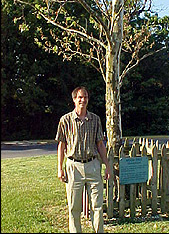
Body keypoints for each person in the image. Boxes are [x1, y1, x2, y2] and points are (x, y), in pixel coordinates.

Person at [55, 86, 111, 233]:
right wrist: (60, 168)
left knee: (97, 206)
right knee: (74, 207)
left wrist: (107, 166)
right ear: (74, 100)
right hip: (73, 167)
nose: (83, 100)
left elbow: (100, 144)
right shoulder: (65, 120)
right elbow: (61, 145)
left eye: (85, 97)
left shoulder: (95, 120)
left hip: (93, 165)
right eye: (80, 97)